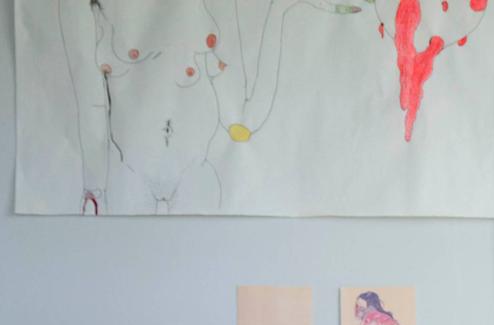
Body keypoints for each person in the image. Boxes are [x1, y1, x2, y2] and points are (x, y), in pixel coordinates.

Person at [58, 0, 356, 215]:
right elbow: (88, 94)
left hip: (198, 169)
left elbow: (243, 116)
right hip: (127, 170)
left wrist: (281, 9)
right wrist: (93, 182)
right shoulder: (91, 12)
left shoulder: (217, 14)